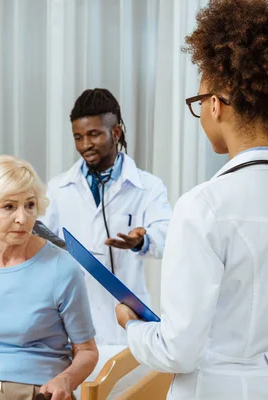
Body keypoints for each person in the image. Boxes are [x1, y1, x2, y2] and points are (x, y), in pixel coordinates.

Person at [115, 1, 268, 399]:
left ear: (215, 105)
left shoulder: (204, 207)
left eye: (199, 102)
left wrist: (131, 326)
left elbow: (177, 351)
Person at [0, 155, 98, 400]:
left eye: (29, 205)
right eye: (9, 207)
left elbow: (87, 351)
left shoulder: (63, 269)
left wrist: (65, 380)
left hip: (39, 392)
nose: (23, 218)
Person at [40, 88, 173, 345]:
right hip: (74, 318)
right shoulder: (58, 188)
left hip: (125, 320)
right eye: (78, 137)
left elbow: (167, 236)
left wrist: (140, 241)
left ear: (116, 132)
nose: (85, 145)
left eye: (93, 134)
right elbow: (41, 239)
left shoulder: (148, 186)